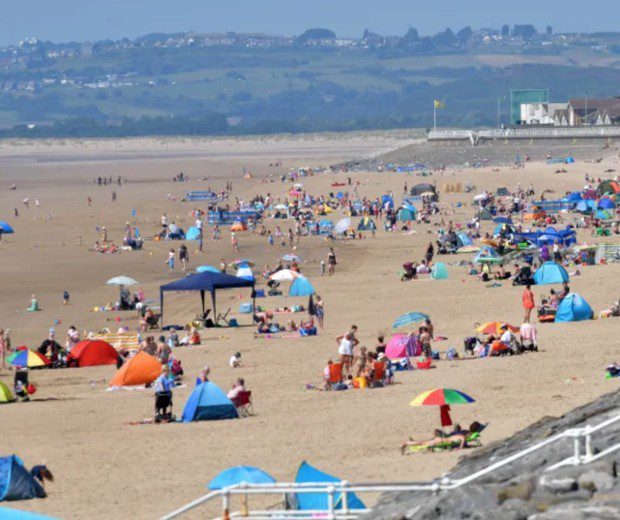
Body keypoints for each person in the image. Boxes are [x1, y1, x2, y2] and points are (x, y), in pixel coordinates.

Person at [401, 422, 484, 454]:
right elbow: (462, 438)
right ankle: (408, 443)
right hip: (441, 440)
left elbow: (462, 438)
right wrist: (460, 447)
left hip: (442, 439)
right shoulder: (462, 436)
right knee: (424, 443)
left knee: (423, 442)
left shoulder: (461, 434)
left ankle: (410, 442)